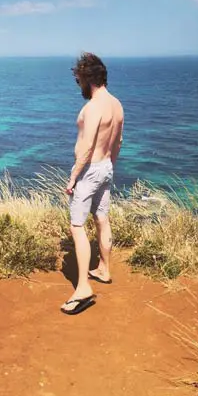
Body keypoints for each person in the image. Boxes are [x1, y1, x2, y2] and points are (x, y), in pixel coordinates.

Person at [61, 52, 124, 315]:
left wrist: (74, 176)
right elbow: (117, 142)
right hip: (106, 166)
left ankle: (83, 289)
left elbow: (86, 147)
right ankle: (104, 269)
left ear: (88, 78)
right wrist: (109, 168)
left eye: (79, 81)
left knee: (77, 226)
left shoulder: (93, 108)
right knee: (102, 218)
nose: (79, 86)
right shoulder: (117, 105)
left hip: (89, 171)